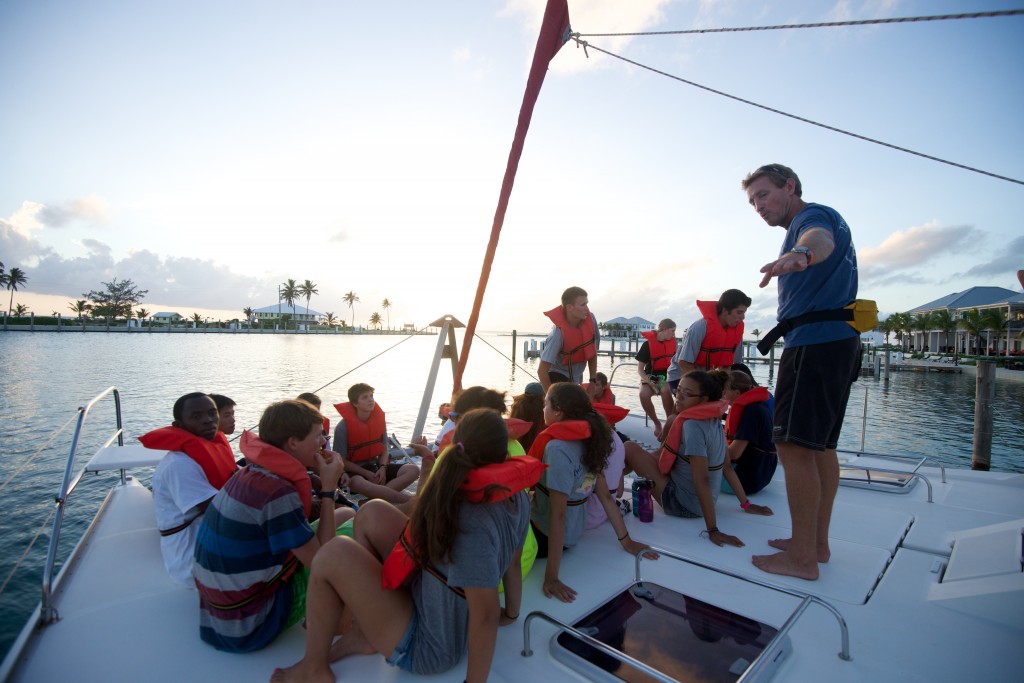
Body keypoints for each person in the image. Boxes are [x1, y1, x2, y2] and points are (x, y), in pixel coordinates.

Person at [270, 409, 534, 683]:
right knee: (372, 512)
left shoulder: (471, 520)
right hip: (435, 599)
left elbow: (487, 613)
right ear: (504, 450)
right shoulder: (516, 494)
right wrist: (513, 613)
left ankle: (314, 669)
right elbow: (512, 562)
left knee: (332, 554)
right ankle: (362, 635)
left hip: (429, 647)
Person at [742, 163, 861, 580]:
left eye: (763, 195)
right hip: (836, 343)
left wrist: (801, 254)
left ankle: (802, 560)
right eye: (752, 200)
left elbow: (819, 240)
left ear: (789, 186)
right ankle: (815, 545)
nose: (758, 205)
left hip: (814, 345)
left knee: (793, 448)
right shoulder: (815, 219)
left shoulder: (811, 220)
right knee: (821, 448)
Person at [193, 399, 355, 651]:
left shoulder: (252, 472)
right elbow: (322, 561)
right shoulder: (277, 492)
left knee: (344, 514)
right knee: (353, 539)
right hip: (253, 623)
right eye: (318, 436)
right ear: (292, 443)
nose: (323, 442)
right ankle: (339, 625)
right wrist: (329, 488)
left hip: (218, 618)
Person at [529, 382, 651, 602]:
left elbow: (558, 515)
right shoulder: (591, 441)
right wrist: (626, 541)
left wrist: (552, 577)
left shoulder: (557, 449)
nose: (543, 409)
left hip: (543, 537)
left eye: (546, 403)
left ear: (558, 411)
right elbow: (605, 496)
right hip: (572, 536)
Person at [624, 371, 748, 547]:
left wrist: (712, 529)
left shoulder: (693, 427)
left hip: (683, 505)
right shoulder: (714, 422)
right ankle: (607, 485)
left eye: (687, 394)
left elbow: (702, 480)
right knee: (640, 450)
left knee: (628, 447)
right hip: (698, 499)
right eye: (678, 390)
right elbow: (726, 467)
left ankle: (605, 489)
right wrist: (746, 504)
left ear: (704, 400)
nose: (678, 397)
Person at [144, 392, 239, 587]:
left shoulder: (209, 448)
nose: (207, 420)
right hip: (194, 563)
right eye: (196, 417)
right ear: (179, 425)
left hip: (213, 538)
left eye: (212, 414)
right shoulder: (178, 465)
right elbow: (222, 509)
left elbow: (240, 477)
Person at [333, 383, 419, 505]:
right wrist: (366, 474)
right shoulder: (342, 427)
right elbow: (342, 462)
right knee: (359, 482)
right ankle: (411, 501)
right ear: (355, 403)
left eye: (371, 396)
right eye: (365, 397)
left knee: (413, 470)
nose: (370, 400)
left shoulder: (379, 421)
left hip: (376, 467)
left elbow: (384, 450)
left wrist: (383, 468)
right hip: (355, 473)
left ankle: (369, 501)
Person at [723, 370, 777, 497]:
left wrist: (706, 452)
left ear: (737, 393)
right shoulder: (758, 405)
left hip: (746, 481)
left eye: (725, 390)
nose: (723, 394)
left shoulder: (750, 412)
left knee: (691, 462)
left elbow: (734, 453)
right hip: (762, 474)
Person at [538, 286, 600, 391]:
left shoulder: (591, 319)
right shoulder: (557, 335)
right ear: (569, 307)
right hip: (557, 381)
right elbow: (541, 371)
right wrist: (551, 398)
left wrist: (592, 381)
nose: (587, 308)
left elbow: (591, 351)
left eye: (587, 304)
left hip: (576, 380)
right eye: (583, 305)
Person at [677, 289, 751, 375]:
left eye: (744, 313)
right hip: (680, 375)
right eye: (739, 312)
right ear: (725, 310)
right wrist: (702, 385)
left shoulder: (736, 332)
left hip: (707, 376)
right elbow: (684, 363)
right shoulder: (698, 328)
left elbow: (730, 366)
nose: (743, 317)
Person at [635, 319, 677, 437]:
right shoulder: (647, 345)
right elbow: (640, 370)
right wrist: (650, 382)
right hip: (651, 376)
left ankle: (670, 422)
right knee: (643, 395)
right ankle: (657, 423)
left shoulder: (673, 343)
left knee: (665, 390)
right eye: (672, 331)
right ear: (664, 329)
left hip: (668, 375)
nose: (674, 334)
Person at [510, 382, 546, 452]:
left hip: (517, 448)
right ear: (542, 397)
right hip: (535, 451)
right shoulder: (544, 411)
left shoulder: (517, 407)